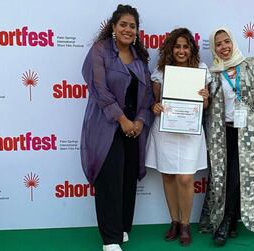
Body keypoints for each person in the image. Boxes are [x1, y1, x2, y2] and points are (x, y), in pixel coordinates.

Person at [80, 4, 153, 251]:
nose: (128, 29)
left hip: (134, 127)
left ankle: (122, 228)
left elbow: (146, 98)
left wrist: (140, 122)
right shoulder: (100, 51)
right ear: (113, 27)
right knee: (109, 178)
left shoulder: (140, 58)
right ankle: (109, 240)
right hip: (107, 124)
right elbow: (99, 90)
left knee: (127, 178)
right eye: (123, 24)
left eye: (132, 26)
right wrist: (122, 120)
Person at [199, 27, 254, 246]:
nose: (224, 47)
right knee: (222, 177)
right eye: (218, 44)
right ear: (214, 49)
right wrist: (204, 97)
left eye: (226, 42)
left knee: (238, 177)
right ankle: (231, 222)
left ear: (233, 42)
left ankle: (226, 222)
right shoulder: (213, 73)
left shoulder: (250, 67)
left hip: (248, 133)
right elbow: (209, 107)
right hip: (222, 133)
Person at [145, 28, 211, 246]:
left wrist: (205, 99)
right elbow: (154, 101)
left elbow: (206, 105)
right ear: (170, 49)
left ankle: (185, 224)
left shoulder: (201, 70)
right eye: (177, 46)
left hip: (190, 131)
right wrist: (155, 107)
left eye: (185, 46)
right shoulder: (161, 71)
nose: (181, 51)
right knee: (168, 176)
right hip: (166, 131)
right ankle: (174, 221)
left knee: (185, 178)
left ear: (191, 48)